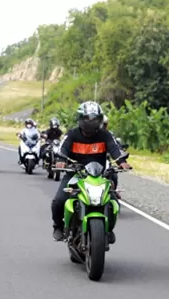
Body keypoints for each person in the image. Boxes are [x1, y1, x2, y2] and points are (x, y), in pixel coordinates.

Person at [51, 101, 131, 242]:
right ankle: (58, 226)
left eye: (94, 118)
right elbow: (63, 149)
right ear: (81, 118)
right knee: (59, 201)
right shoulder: (72, 135)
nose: (91, 121)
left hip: (99, 175)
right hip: (75, 174)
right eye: (88, 118)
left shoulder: (105, 135)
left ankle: (108, 229)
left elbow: (114, 149)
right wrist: (60, 159)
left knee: (113, 203)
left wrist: (122, 162)